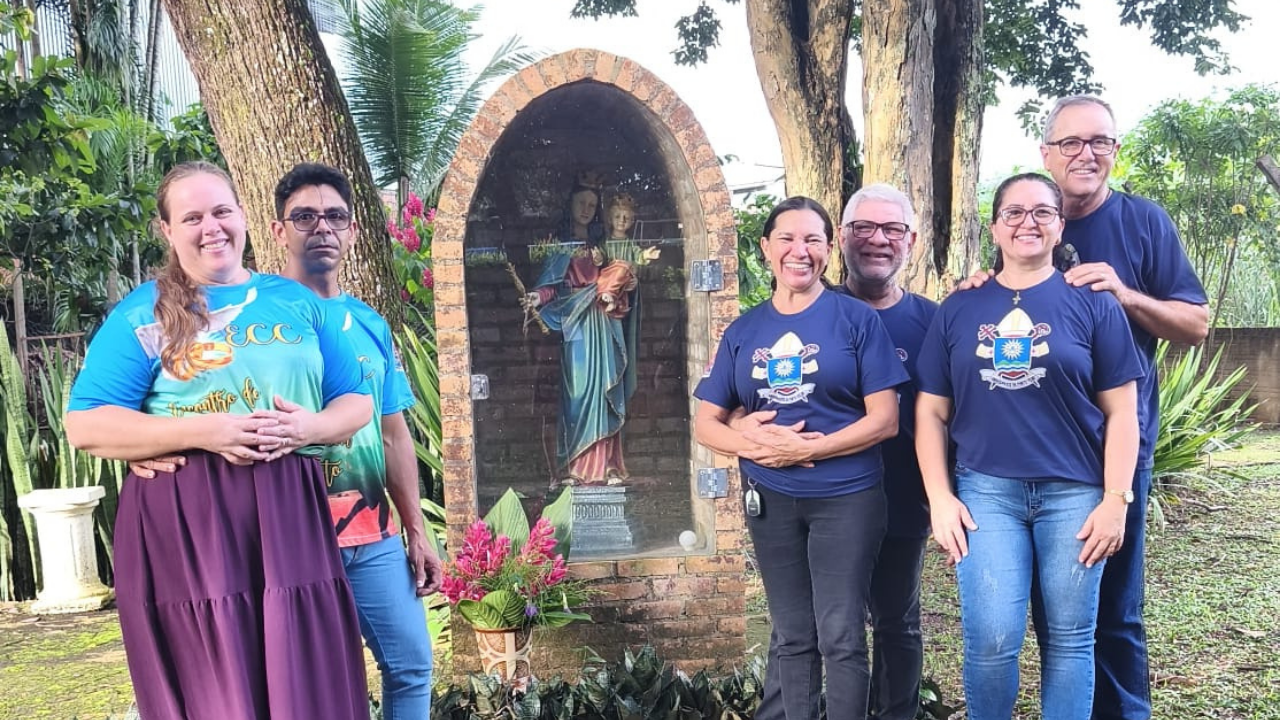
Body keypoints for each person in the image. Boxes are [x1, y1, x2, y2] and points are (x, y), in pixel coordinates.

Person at [65, 161, 373, 719]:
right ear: (167, 230)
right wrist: (202, 433)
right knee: (219, 681)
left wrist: (306, 428)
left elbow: (356, 402)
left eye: (222, 211)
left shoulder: (296, 302)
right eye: (192, 217)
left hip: (289, 508)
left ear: (244, 216)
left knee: (301, 670)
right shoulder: (142, 314)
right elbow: (85, 424)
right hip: (189, 521)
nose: (211, 227)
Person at [967, 95, 1209, 720]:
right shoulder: (1029, 218)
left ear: (1115, 151)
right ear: (1046, 153)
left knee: (1115, 608)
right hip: (1029, 459)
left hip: (1116, 447)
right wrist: (975, 288)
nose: (1086, 154)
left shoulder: (1143, 222)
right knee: (1056, 610)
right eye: (1071, 142)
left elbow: (1196, 324)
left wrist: (1125, 295)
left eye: (1100, 141)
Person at [917, 173, 1144, 720]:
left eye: (1043, 212)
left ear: (1060, 226)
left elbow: (1122, 412)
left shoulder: (1094, 305)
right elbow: (930, 412)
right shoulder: (959, 308)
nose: (1028, 222)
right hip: (986, 492)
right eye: (1014, 212)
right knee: (992, 638)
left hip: (1076, 494)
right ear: (994, 227)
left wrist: (1116, 499)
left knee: (1070, 638)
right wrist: (940, 499)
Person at [693, 196, 906, 720]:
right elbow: (705, 422)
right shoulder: (744, 331)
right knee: (791, 634)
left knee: (841, 635)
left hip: (846, 499)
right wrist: (753, 443)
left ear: (829, 250)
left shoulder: (856, 320)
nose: (799, 250)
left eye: (813, 240)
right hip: (771, 501)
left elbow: (885, 419)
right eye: (787, 238)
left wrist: (809, 448)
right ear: (765, 247)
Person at [837, 184, 938, 720]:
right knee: (832, 627)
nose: (878, 239)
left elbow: (956, 414)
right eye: (864, 228)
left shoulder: (935, 322)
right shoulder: (812, 312)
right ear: (842, 237)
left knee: (898, 624)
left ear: (911, 240)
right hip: (826, 504)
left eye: (892, 229)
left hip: (903, 498)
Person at [526, 173, 642, 485]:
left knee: (605, 390)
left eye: (592, 205)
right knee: (577, 393)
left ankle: (606, 467)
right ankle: (574, 468)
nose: (586, 210)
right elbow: (551, 285)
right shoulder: (561, 245)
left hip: (603, 323)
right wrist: (537, 296)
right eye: (581, 203)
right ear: (571, 204)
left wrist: (628, 283)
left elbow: (621, 275)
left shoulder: (601, 245)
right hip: (575, 326)